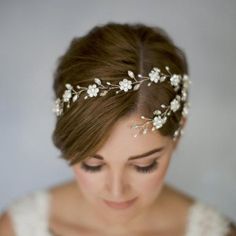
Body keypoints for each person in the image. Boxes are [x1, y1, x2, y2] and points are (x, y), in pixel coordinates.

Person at [0, 22, 235, 236]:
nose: (116, 191)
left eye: (144, 165)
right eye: (93, 165)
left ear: (178, 133)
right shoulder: (17, 229)